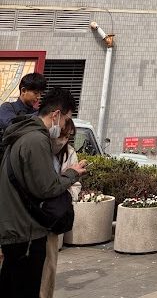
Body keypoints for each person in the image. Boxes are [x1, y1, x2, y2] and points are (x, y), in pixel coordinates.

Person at [0, 87, 88, 298]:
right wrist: (72, 174)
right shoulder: (36, 140)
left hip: (15, 228)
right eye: (66, 120)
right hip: (27, 232)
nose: (65, 126)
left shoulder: (21, 135)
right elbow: (47, 187)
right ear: (56, 114)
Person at [40, 117, 81, 298]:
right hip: (31, 216)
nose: (63, 139)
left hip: (52, 218)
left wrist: (65, 198)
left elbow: (75, 185)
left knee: (49, 266)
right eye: (62, 134)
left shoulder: (69, 153)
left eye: (68, 136)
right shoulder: (40, 147)